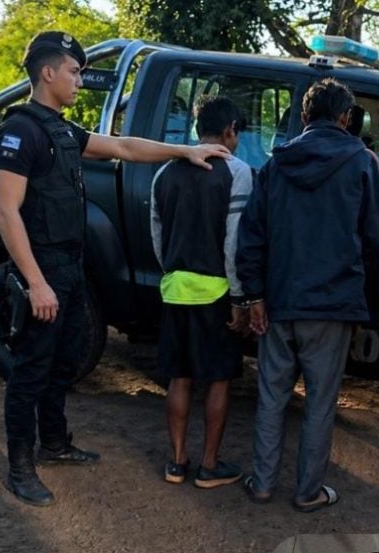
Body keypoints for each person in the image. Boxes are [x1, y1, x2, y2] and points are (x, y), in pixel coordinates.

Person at [0, 30, 229, 507]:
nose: (80, 80)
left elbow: (124, 148)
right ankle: (20, 467)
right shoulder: (22, 130)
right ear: (48, 72)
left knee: (68, 358)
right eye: (74, 72)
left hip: (71, 268)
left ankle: (54, 442)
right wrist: (36, 284)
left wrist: (185, 151)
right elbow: (5, 211)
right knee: (30, 370)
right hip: (42, 270)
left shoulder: (61, 128)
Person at [236, 78, 379, 512]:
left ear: (303, 117)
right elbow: (378, 240)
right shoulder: (362, 164)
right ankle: (308, 492)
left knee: (271, 396)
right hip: (333, 305)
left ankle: (262, 484)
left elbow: (251, 236)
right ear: (346, 118)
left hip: (279, 300)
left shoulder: (275, 164)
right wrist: (365, 300)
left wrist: (254, 296)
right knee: (320, 403)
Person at [150, 95, 253, 489]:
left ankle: (176, 463)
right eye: (237, 133)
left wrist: (172, 273)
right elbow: (233, 242)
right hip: (217, 294)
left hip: (174, 289)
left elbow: (157, 236)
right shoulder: (237, 172)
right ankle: (210, 466)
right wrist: (239, 298)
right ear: (230, 131)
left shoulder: (164, 174)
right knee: (218, 380)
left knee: (179, 378)